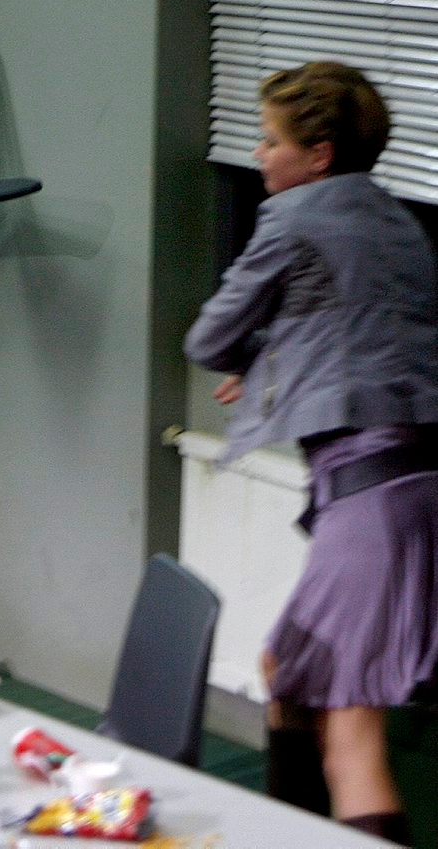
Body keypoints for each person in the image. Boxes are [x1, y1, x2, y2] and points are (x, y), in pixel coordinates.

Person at [184, 61, 438, 845]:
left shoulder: (291, 219)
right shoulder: (394, 219)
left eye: (269, 141)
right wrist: (275, 357)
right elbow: (360, 333)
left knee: (350, 733)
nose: (258, 155)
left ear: (317, 154)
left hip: (370, 499)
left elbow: (207, 337)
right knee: (285, 674)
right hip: (411, 478)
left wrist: (252, 352)